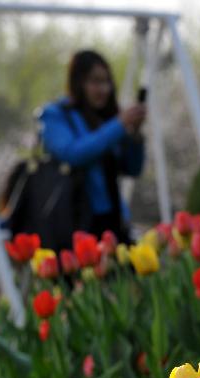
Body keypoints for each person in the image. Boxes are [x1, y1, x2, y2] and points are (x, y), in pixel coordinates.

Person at [39, 49, 146, 244]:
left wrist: (134, 135)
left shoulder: (107, 118)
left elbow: (132, 168)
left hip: (113, 218)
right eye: (95, 81)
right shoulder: (55, 115)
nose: (104, 89)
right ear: (78, 82)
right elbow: (72, 153)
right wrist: (119, 125)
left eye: (106, 81)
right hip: (73, 221)